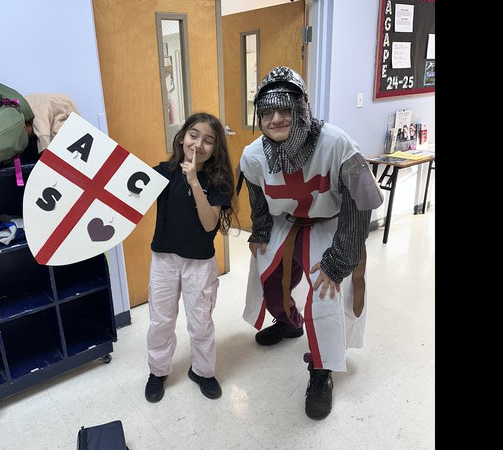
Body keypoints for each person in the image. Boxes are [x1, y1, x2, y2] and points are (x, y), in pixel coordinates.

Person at [239, 66, 383, 420]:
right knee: (268, 279)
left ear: (302, 107)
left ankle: (322, 371)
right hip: (285, 222)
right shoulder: (253, 155)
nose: (275, 120)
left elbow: (360, 203)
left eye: (284, 110)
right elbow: (258, 196)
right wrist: (259, 228)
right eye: (267, 112)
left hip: (330, 224)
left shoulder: (337, 143)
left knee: (324, 294)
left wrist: (340, 258)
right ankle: (288, 323)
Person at [145, 112, 239, 403]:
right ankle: (158, 371)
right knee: (160, 320)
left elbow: (210, 223)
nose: (198, 144)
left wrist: (194, 180)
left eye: (208, 140)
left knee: (200, 322)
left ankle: (203, 371)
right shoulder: (163, 172)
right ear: (182, 136)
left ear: (216, 148)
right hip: (164, 260)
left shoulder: (219, 181)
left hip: (199, 264)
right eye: (193, 135)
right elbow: (126, 187)